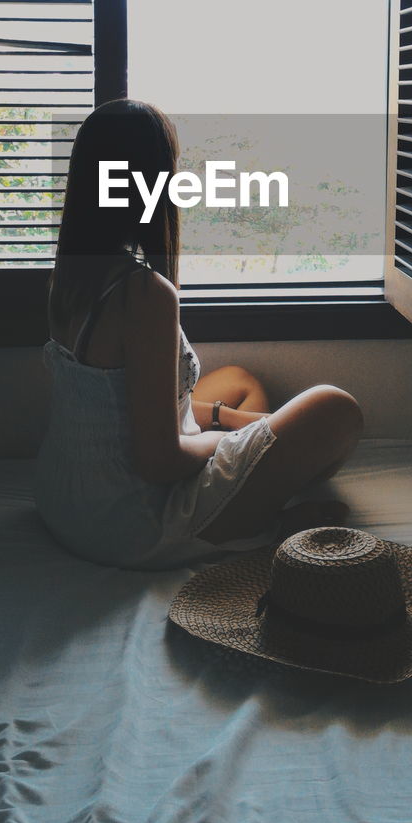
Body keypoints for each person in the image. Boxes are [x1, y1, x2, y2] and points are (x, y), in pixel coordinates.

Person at [34, 99, 363, 569]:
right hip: (128, 524)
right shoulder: (143, 293)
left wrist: (237, 426)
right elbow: (160, 463)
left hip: (68, 500)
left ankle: (254, 472)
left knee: (239, 380)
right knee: (335, 410)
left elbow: (111, 397)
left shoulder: (69, 278)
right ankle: (269, 526)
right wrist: (239, 441)